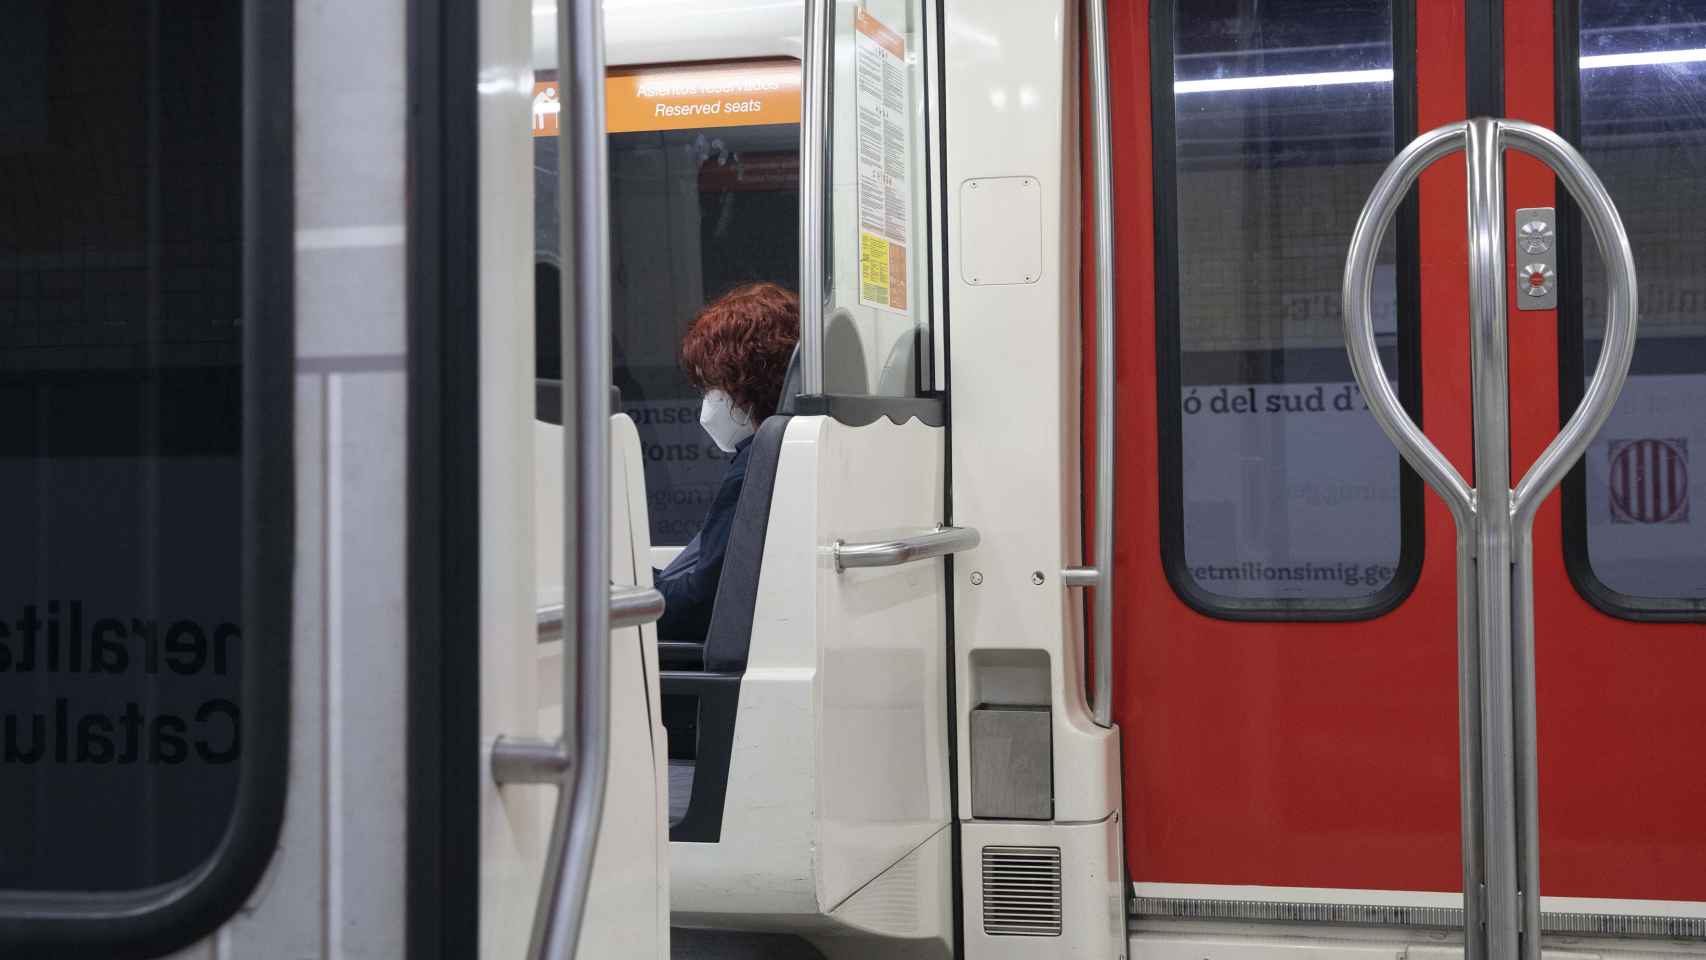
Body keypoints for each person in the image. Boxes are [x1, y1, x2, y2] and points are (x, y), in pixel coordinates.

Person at [654, 282, 799, 644]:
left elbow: (696, 609)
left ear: (747, 381)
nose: (707, 403)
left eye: (711, 387)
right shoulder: (791, 452)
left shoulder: (757, 468)